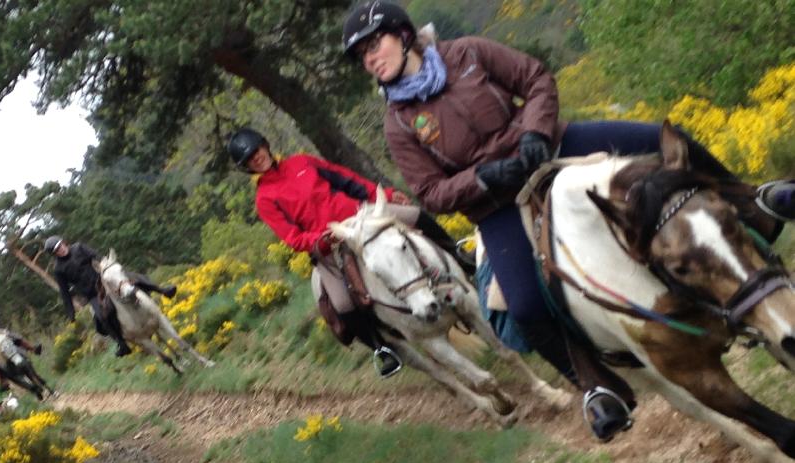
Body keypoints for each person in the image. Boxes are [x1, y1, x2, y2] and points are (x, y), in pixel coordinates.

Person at [341, 1, 795, 439]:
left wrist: (536, 131)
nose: (370, 59)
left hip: (552, 145)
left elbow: (536, 78)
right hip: (498, 202)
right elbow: (432, 192)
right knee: (524, 306)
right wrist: (484, 176)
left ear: (403, 35)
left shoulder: (468, 52)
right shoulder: (398, 124)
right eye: (362, 55)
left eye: (373, 45)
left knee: (667, 138)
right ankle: (596, 385)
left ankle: (751, 203)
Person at [227, 126, 472, 377]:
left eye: (256, 150)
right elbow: (292, 237)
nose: (257, 157)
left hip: (360, 218)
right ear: (247, 167)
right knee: (344, 305)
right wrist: (321, 238)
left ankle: (459, 257)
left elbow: (346, 180)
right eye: (249, 159)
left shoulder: (302, 162)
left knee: (416, 216)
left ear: (265, 145)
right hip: (330, 244)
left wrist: (384, 195)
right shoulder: (264, 199)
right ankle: (383, 349)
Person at [43, 235, 177, 357]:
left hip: (104, 281)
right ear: (54, 254)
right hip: (93, 294)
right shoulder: (58, 270)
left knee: (133, 277)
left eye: (60, 246)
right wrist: (70, 313)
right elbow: (64, 292)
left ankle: (163, 291)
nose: (61, 250)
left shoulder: (79, 247)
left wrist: (107, 268)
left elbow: (98, 256)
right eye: (56, 250)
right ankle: (122, 344)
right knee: (102, 316)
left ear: (64, 243)